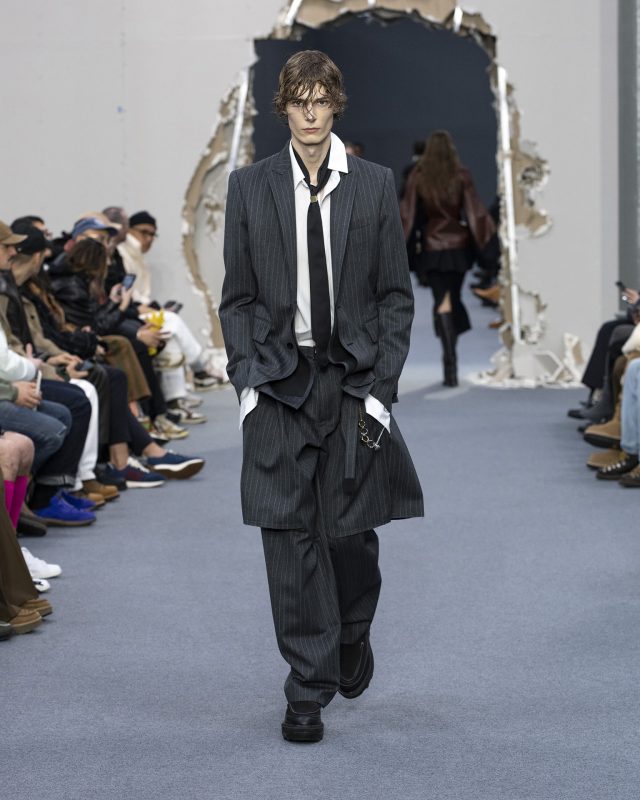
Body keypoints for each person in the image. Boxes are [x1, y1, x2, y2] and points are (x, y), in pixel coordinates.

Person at [220, 50, 423, 743]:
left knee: (348, 532)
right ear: (283, 106)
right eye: (298, 101)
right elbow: (238, 298)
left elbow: (395, 296)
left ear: (336, 104)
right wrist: (249, 385)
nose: (310, 114)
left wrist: (381, 391)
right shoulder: (250, 187)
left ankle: (351, 631)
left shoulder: (374, 184)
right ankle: (306, 687)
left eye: (321, 100)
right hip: (279, 381)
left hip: (353, 379)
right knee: (287, 535)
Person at [400, 130, 495, 386]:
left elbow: (407, 215)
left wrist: (398, 246)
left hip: (432, 247)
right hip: (458, 247)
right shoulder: (461, 175)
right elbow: (475, 212)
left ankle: (448, 357)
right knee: (452, 298)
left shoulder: (419, 176)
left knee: (441, 301)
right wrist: (489, 246)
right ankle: (451, 354)